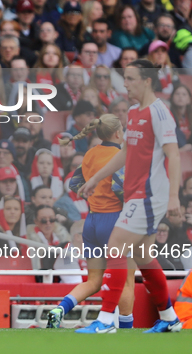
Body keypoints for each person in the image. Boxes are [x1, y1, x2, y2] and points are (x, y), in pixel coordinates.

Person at [77, 59, 182, 333]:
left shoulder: (159, 114)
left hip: (149, 196)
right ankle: (170, 318)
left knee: (115, 246)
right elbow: (125, 153)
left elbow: (174, 155)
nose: (125, 84)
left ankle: (105, 321)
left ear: (146, 81)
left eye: (131, 78)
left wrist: (174, 198)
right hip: (136, 194)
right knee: (144, 256)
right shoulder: (134, 112)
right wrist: (97, 179)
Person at [48, 113, 136, 329]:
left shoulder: (89, 154)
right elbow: (120, 187)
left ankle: (60, 308)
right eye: (122, 130)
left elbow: (74, 183)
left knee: (94, 281)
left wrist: (94, 196)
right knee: (125, 281)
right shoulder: (119, 156)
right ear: (117, 132)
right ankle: (126, 330)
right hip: (115, 221)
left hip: (92, 221)